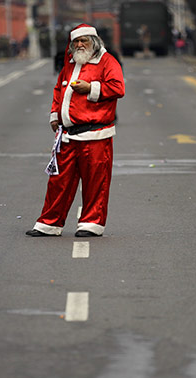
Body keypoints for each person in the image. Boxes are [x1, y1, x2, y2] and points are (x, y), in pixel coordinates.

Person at [26, 24, 125, 238]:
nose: (80, 45)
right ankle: (49, 223)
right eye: (76, 42)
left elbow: (118, 88)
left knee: (95, 182)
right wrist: (55, 115)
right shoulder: (70, 64)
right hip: (68, 135)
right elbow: (58, 90)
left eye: (84, 41)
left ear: (94, 42)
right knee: (58, 181)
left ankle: (91, 223)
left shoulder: (107, 62)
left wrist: (91, 88)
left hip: (95, 134)